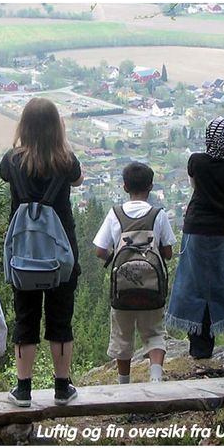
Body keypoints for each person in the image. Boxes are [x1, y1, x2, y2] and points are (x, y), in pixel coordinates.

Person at [0, 98, 83, 407]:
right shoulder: (67, 160)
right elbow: (78, 178)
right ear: (55, 126)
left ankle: (23, 389)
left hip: (24, 253)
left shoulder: (12, 160)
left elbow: (4, 175)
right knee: (61, 319)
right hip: (61, 252)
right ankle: (62, 387)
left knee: (26, 318)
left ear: (25, 126)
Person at [166, 116, 224, 360]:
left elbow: (195, 187)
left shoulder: (196, 161)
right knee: (223, 284)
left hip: (195, 230)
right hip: (221, 232)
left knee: (194, 284)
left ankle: (200, 347)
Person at [93, 162, 176, 384]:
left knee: (122, 335)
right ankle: (156, 377)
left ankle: (124, 382)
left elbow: (99, 249)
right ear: (150, 186)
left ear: (124, 186)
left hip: (123, 288)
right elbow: (168, 252)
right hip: (151, 287)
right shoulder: (159, 215)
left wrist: (116, 256)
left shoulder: (115, 214)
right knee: (155, 332)